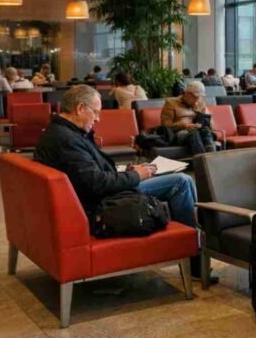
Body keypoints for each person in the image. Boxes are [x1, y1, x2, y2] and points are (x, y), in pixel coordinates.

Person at [33, 85, 212, 282]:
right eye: (96, 112)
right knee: (181, 182)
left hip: (96, 193)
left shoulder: (63, 132)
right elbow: (96, 183)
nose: (98, 118)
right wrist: (137, 176)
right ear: (80, 109)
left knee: (178, 180)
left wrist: (128, 170)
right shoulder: (67, 140)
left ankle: (192, 247)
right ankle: (194, 257)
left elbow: (90, 172)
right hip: (103, 201)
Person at [161, 81, 214, 154]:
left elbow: (210, 125)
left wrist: (202, 114)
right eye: (195, 97)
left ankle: (213, 160)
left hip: (196, 130)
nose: (197, 100)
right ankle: (203, 161)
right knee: (193, 133)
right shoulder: (171, 103)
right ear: (187, 93)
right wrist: (184, 125)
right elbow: (165, 125)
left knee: (206, 130)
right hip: (178, 133)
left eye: (199, 97)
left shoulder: (200, 103)